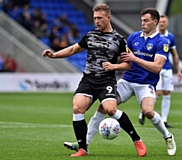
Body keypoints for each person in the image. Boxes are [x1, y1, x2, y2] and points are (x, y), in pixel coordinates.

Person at [64, 8, 177, 156]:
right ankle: (83, 144)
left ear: (155, 22)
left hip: (145, 83)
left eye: (146, 21)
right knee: (104, 107)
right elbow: (121, 57)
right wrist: (111, 62)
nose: (142, 23)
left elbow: (157, 67)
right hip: (127, 80)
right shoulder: (133, 37)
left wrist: (135, 59)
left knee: (148, 111)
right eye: (142, 20)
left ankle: (167, 136)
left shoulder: (162, 41)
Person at [42, 4, 146, 157]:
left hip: (106, 81)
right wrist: (54, 55)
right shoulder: (90, 35)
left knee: (111, 109)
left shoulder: (119, 40)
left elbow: (127, 64)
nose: (96, 21)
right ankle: (83, 148)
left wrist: (113, 66)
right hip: (88, 79)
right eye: (95, 18)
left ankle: (137, 139)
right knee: (77, 108)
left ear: (108, 18)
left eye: (99, 18)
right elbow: (72, 49)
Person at [138, 15, 182, 128]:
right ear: (157, 23)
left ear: (167, 23)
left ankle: (164, 120)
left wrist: (178, 70)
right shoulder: (152, 36)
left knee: (167, 93)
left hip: (167, 68)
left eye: (164, 22)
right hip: (155, 68)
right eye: (160, 22)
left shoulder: (170, 37)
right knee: (157, 92)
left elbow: (174, 54)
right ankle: (145, 109)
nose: (162, 23)